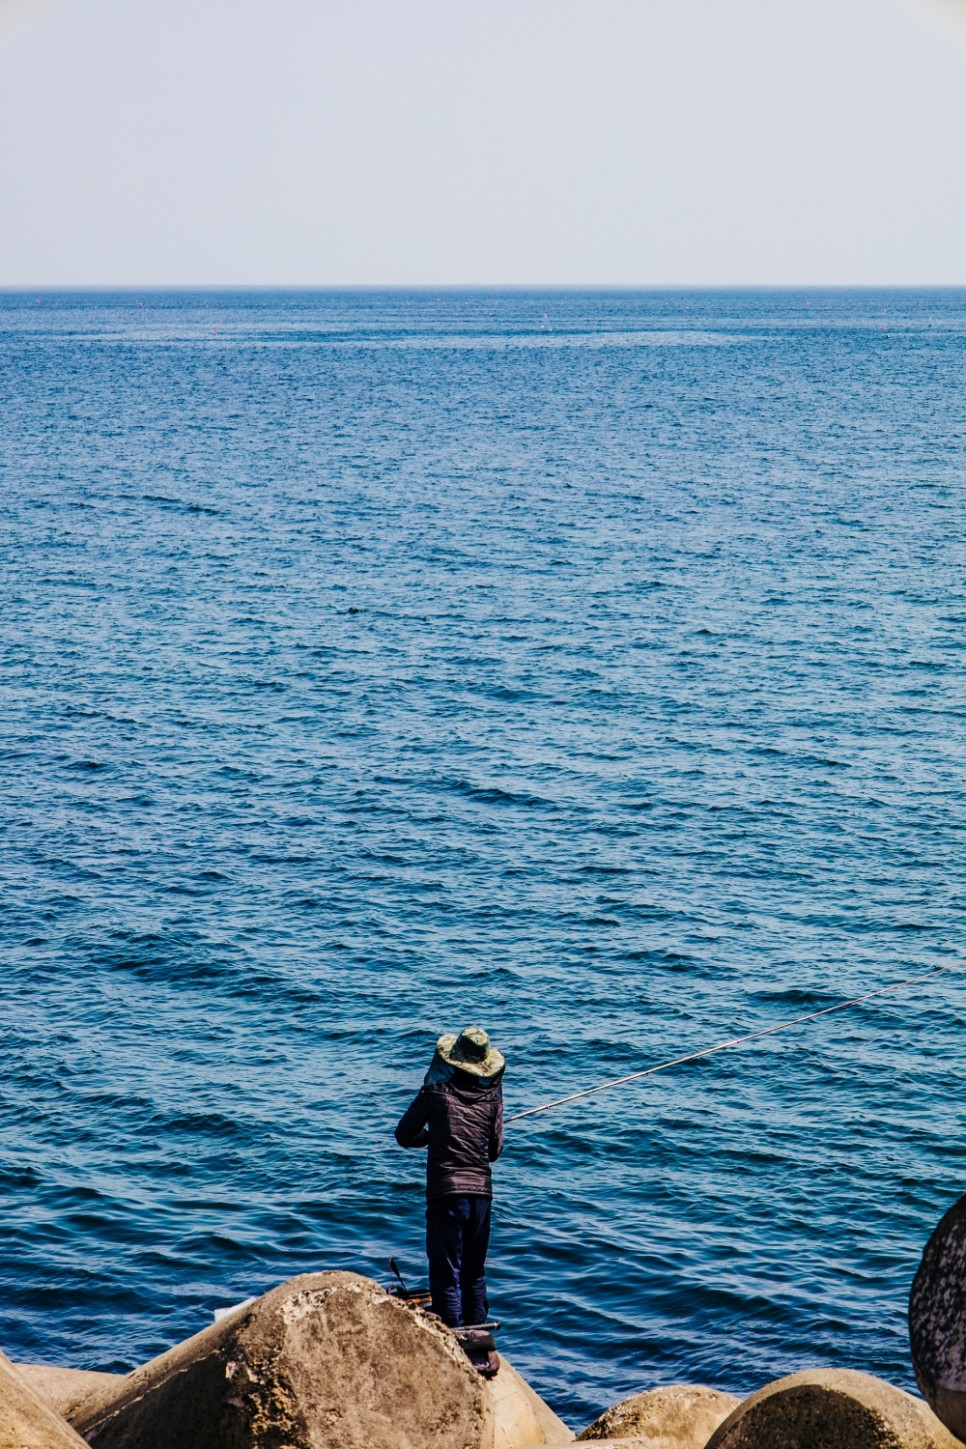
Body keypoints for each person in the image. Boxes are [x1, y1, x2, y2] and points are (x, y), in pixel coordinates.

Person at [395, 1025, 505, 1331]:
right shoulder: (492, 1100)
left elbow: (404, 1135)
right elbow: (494, 1151)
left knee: (446, 1273)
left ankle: (455, 1337)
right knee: (474, 1272)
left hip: (447, 1193)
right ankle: (479, 1337)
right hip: (482, 1195)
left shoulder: (434, 1093)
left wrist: (431, 1136)